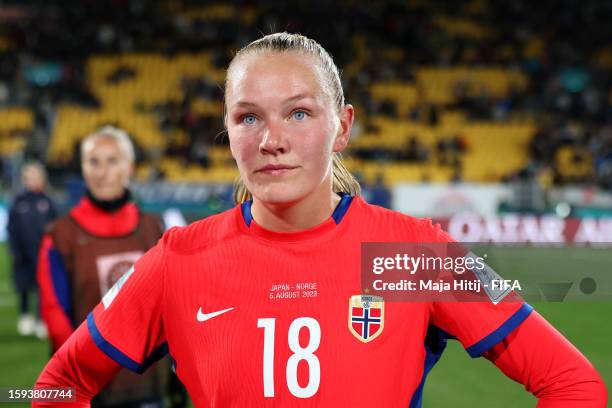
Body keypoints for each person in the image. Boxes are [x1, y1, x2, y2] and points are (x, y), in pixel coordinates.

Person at [34, 33, 607, 407]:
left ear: (343, 127)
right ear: (227, 131)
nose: (272, 140)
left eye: (300, 113)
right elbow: (57, 385)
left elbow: (573, 384)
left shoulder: (411, 256)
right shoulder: (180, 257)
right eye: (248, 118)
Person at [36, 126, 177, 407]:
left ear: (130, 167)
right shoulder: (60, 235)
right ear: (83, 169)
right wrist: (83, 373)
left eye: (112, 160)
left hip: (148, 387)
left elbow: (172, 309)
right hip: (90, 389)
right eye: (93, 161)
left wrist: (177, 369)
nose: (102, 172)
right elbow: (55, 315)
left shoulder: (155, 229)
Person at [7, 161, 57, 338]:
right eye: (29, 177)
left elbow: (55, 227)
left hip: (42, 253)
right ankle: (25, 315)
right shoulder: (18, 201)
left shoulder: (48, 202)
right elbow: (11, 228)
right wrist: (14, 250)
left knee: (43, 287)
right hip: (22, 253)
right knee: (23, 286)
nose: (33, 180)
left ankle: (41, 320)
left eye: (36, 176)